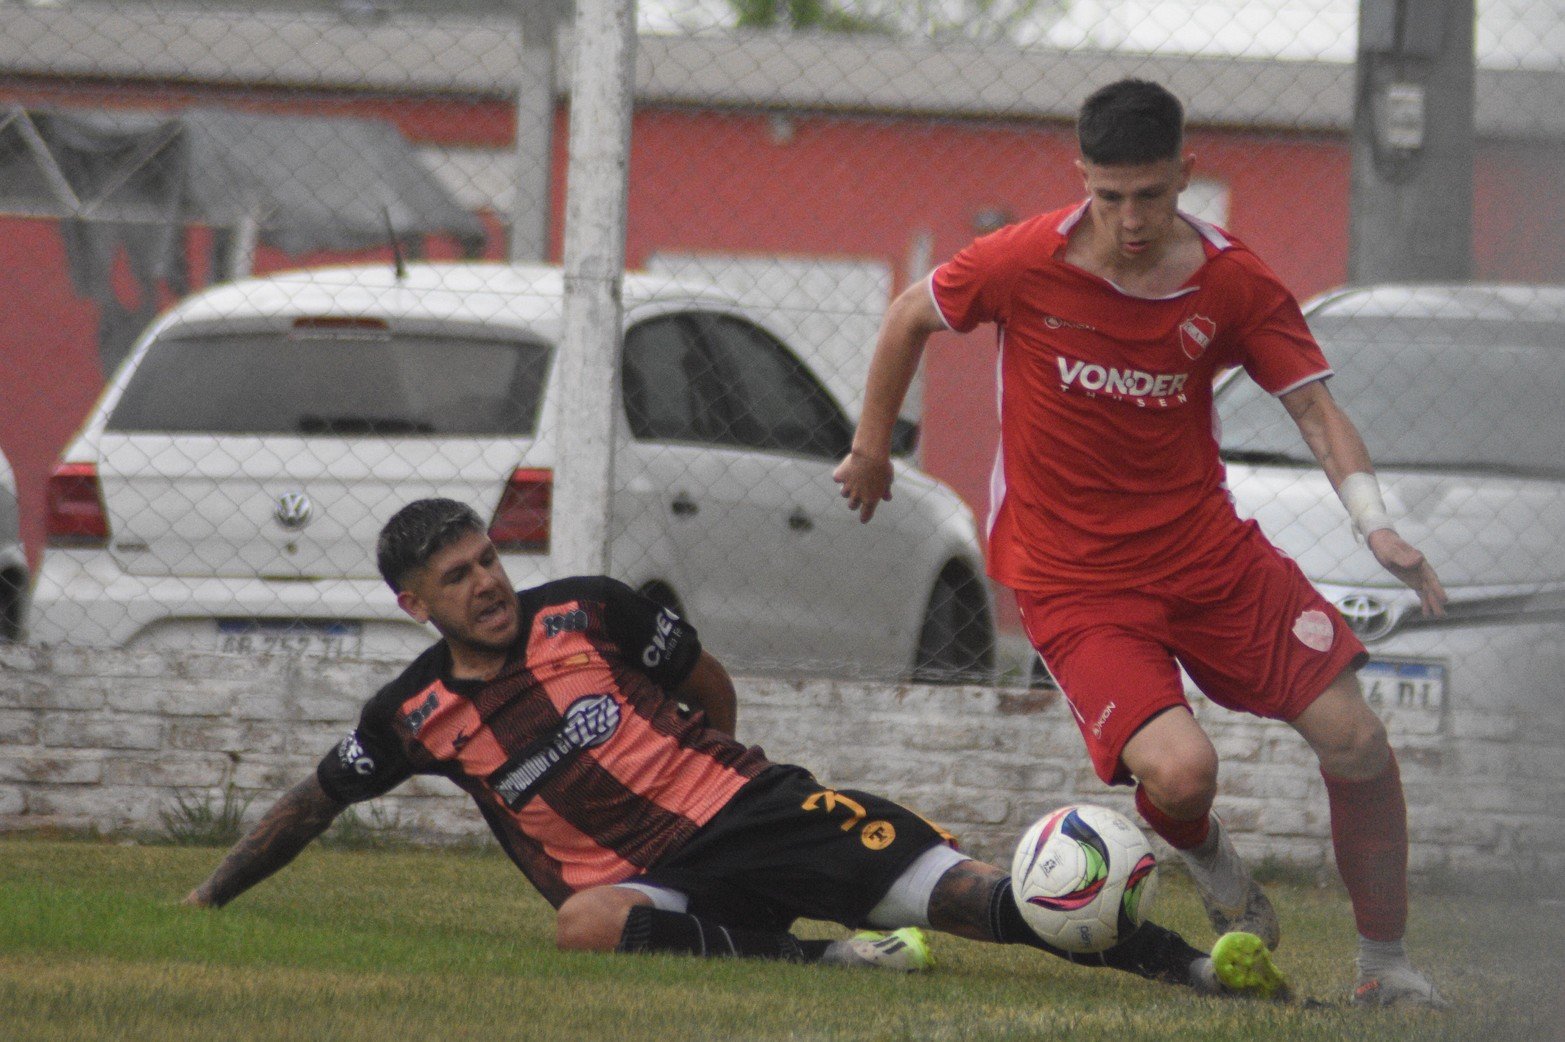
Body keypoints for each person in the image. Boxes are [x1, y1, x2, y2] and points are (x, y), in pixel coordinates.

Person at [832, 79, 1448, 1009]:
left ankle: (1385, 969)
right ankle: (1203, 852)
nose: (1128, 220)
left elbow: (1313, 406)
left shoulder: (1231, 280)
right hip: (1072, 579)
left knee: (1356, 739)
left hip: (1208, 557)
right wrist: (870, 448)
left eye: (1150, 197)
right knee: (1182, 773)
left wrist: (1376, 524)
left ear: (1185, 177)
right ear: (1080, 178)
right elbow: (908, 314)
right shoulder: (1019, 262)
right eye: (1108, 196)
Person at [184, 497, 1288, 1001]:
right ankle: (828, 960)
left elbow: (703, 679)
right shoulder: (414, 712)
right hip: (653, 884)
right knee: (582, 924)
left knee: (975, 898)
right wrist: (208, 899)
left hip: (753, 809)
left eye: (486, 559)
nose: (485, 583)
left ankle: (1197, 968)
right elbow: (311, 801)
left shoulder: (584, 610)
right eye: (456, 577)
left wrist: (715, 750)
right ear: (412, 600)